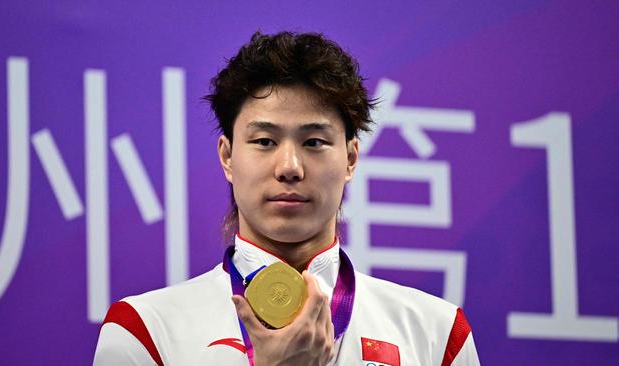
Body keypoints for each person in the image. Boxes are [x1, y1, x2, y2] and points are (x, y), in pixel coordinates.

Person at [93, 31, 480, 366]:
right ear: (227, 157)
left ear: (350, 158)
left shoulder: (438, 334)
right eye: (265, 141)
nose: (290, 166)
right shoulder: (146, 330)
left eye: (314, 142)